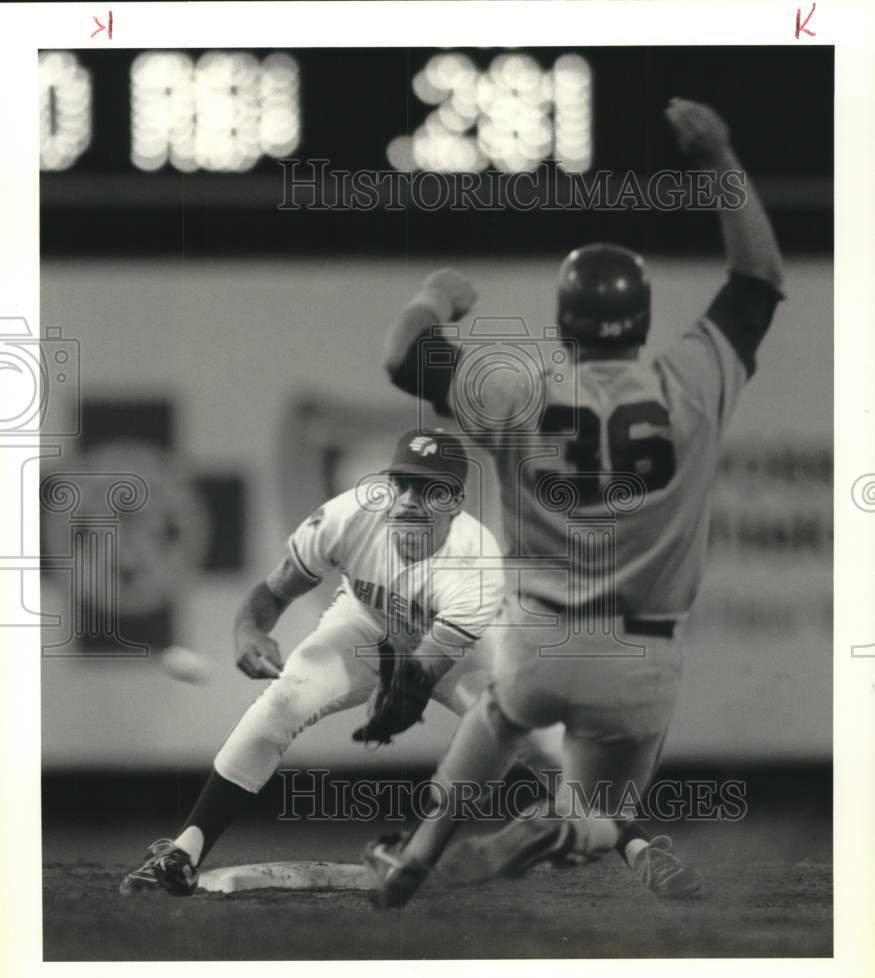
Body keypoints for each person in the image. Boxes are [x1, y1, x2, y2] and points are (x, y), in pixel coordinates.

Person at [363, 97, 784, 907]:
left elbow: (401, 356)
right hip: (642, 654)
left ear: (564, 325)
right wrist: (718, 156)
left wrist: (434, 297)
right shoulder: (691, 383)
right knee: (603, 816)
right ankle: (560, 830)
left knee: (497, 716)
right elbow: (758, 279)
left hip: (539, 643)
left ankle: (414, 855)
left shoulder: (517, 390)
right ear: (642, 321)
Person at [119, 427, 565, 895]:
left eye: (429, 490)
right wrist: (249, 631)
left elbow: (417, 678)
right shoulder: (347, 517)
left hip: (456, 651)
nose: (409, 500)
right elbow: (271, 593)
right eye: (403, 484)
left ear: (454, 501)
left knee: (540, 742)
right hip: (365, 623)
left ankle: (606, 833)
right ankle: (186, 851)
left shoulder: (476, 563)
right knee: (282, 703)